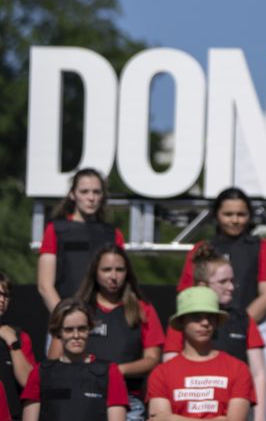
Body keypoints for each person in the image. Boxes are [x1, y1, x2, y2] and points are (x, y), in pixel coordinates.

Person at [177, 187, 266, 398]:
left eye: (241, 214)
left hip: (256, 325)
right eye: (228, 214)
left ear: (250, 216)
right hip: (208, 323)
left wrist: (240, 324)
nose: (235, 220)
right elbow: (187, 294)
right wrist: (214, 323)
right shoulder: (201, 248)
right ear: (216, 215)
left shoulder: (263, 247)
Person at [55, 245, 162, 420]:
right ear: (95, 272)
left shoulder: (143, 309)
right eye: (106, 270)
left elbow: (152, 359)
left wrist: (116, 371)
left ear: (127, 273)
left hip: (128, 401)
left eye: (119, 270)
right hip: (80, 395)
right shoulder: (77, 307)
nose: (113, 276)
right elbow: (55, 356)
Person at [165, 243, 266, 421]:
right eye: (223, 282)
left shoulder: (243, 319)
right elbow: (169, 373)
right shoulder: (183, 321)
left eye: (232, 281)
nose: (231, 287)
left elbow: (259, 374)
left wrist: (259, 419)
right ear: (202, 284)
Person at [147, 287, 255, 420]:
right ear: (182, 321)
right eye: (196, 317)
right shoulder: (161, 373)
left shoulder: (238, 369)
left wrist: (174, 418)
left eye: (210, 317)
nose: (205, 323)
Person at [21, 298, 128, 420]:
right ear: (58, 332)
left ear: (90, 329)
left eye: (82, 329)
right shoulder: (40, 372)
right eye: (69, 330)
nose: (76, 335)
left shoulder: (110, 372)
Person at [36, 168, 126, 313]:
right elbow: (44, 286)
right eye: (84, 192)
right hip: (64, 321)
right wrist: (65, 319)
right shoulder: (55, 230)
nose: (91, 198)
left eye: (96, 192)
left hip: (103, 320)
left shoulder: (114, 234)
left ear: (102, 196)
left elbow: (122, 283)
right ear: (72, 194)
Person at [0, 272, 36, 417]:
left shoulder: (19, 337)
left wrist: (13, 344)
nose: (2, 299)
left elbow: (30, 384)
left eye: (6, 295)